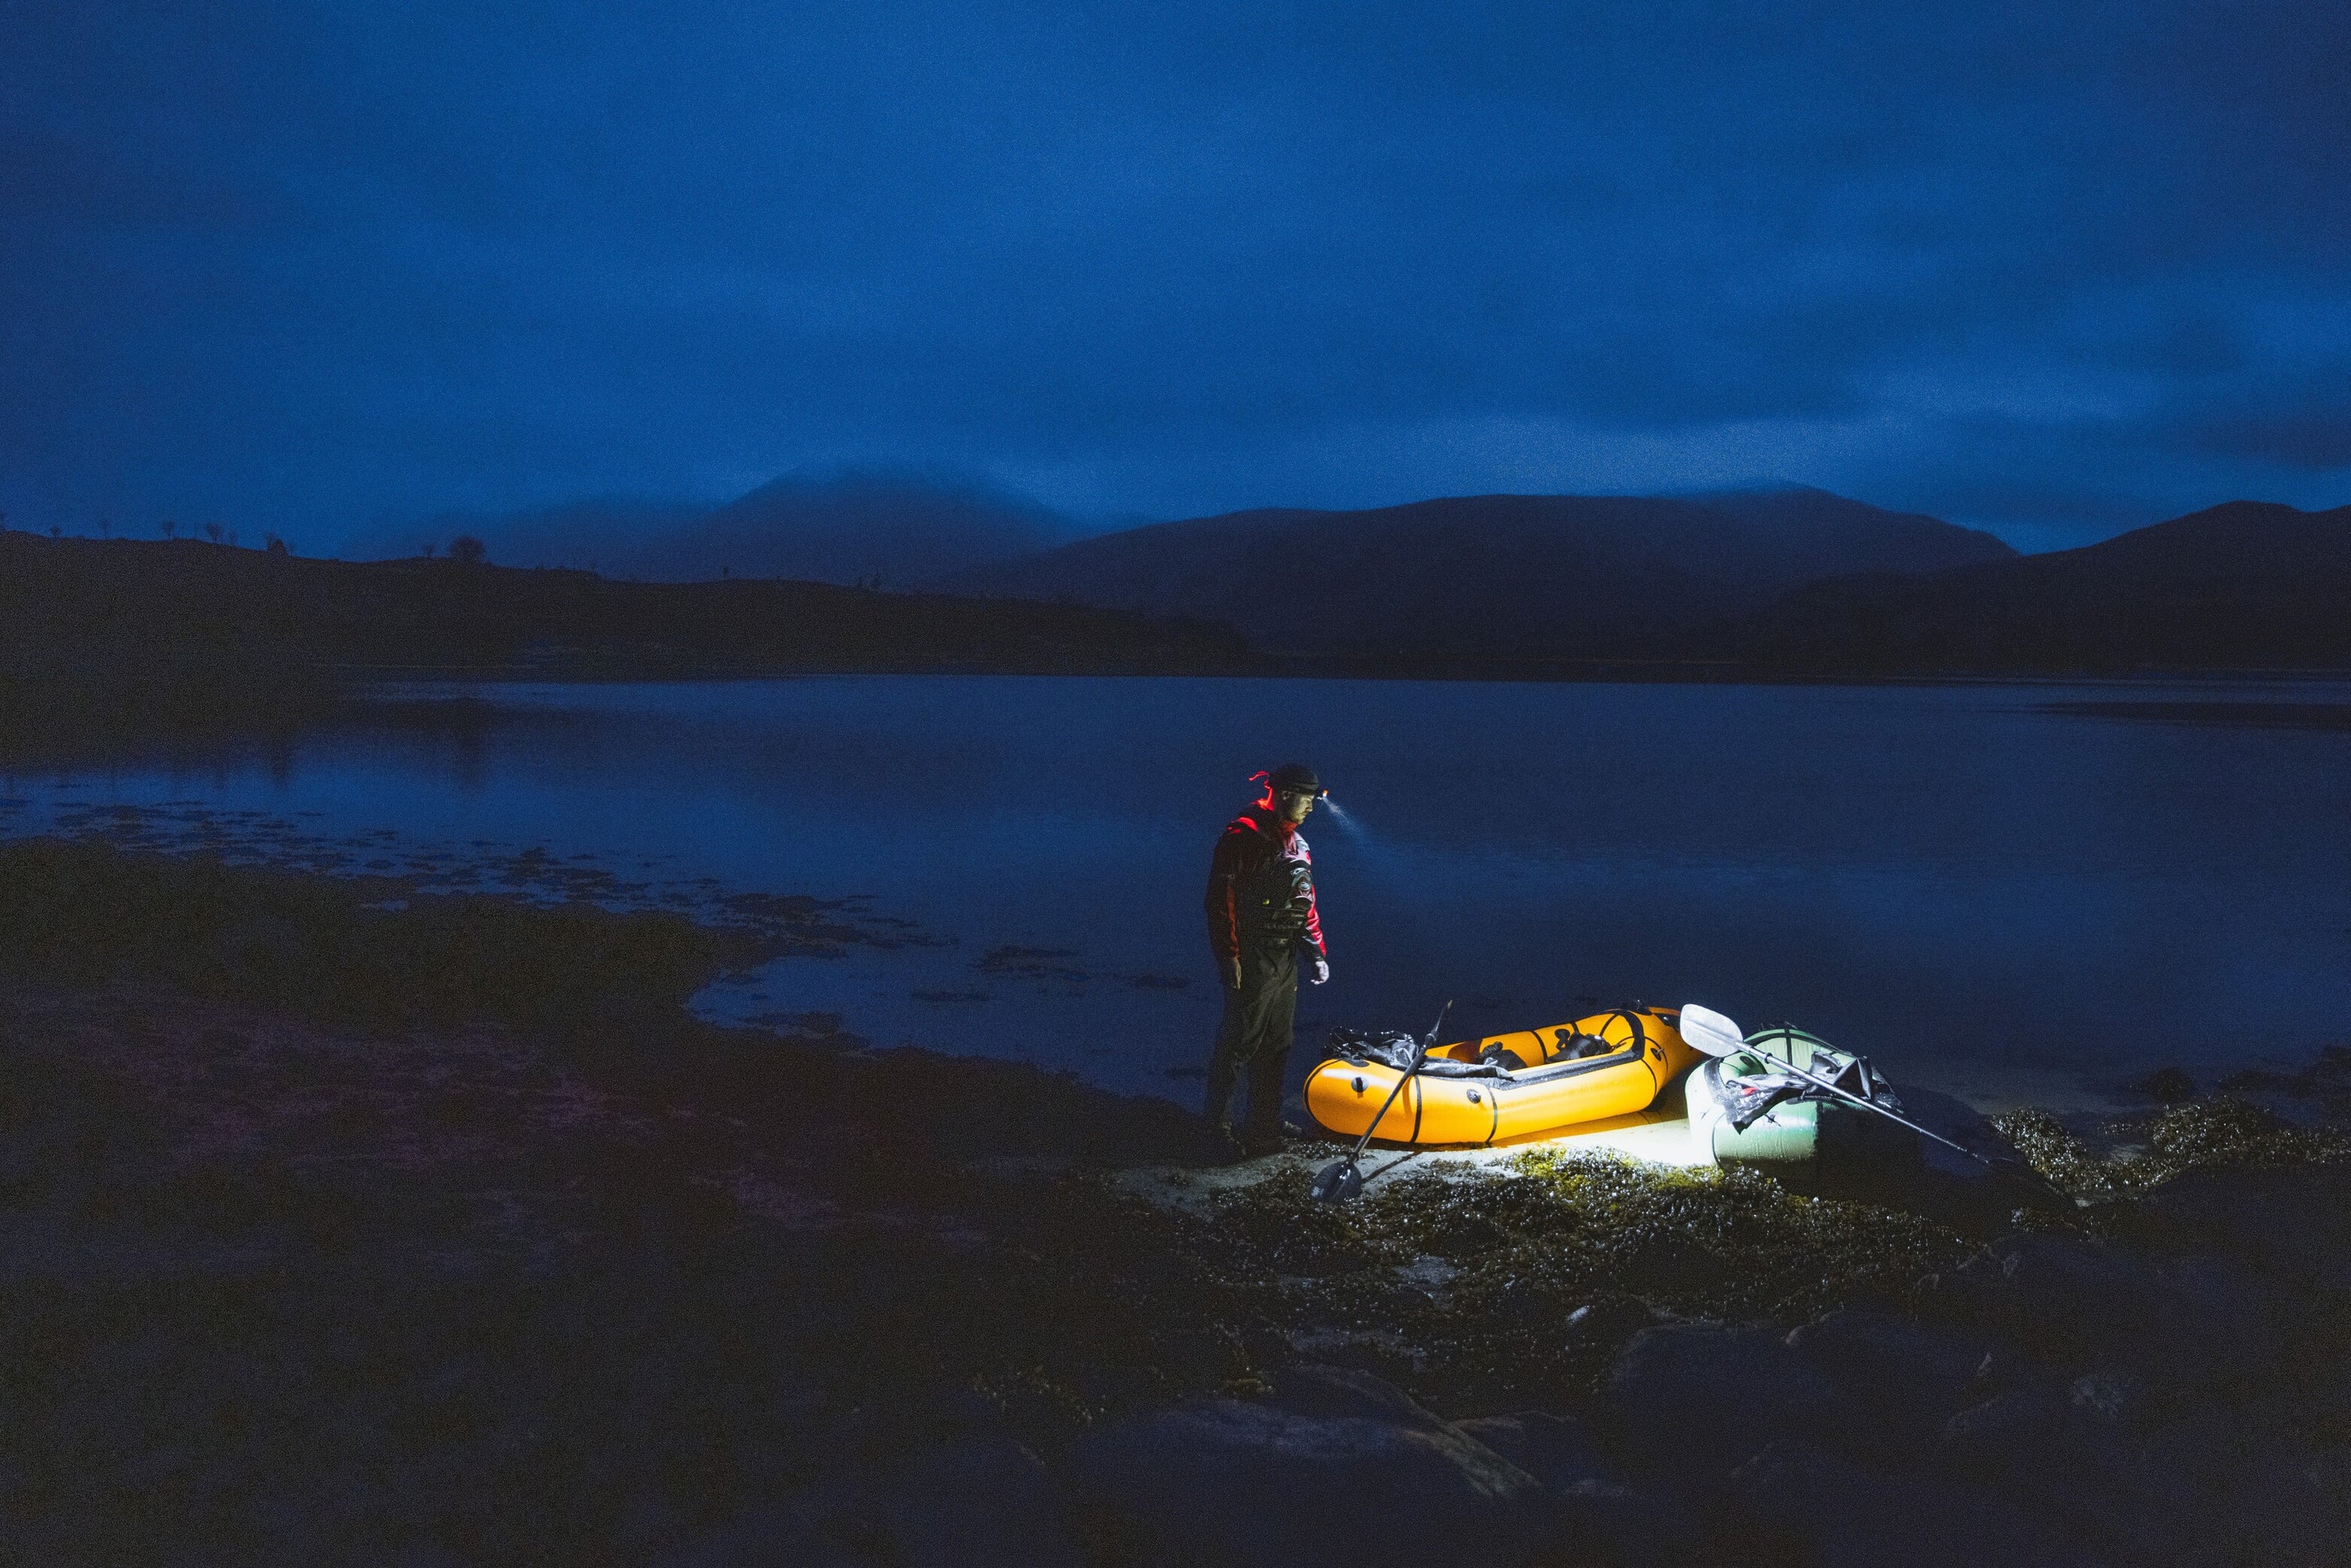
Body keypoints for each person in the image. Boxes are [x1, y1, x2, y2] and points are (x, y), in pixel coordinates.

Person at [1202, 762, 1331, 1154]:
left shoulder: (1298, 844)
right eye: (1307, 799)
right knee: (1239, 1042)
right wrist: (1230, 957)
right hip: (1254, 952)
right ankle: (1215, 1131)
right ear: (1287, 794)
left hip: (1284, 955)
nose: (1311, 808)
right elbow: (1220, 902)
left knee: (1278, 1042)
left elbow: (1303, 901)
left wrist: (1317, 954)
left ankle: (1264, 1124)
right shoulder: (1242, 837)